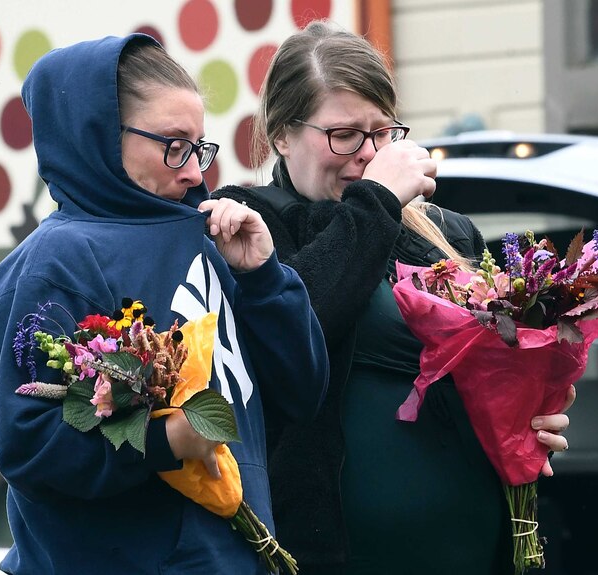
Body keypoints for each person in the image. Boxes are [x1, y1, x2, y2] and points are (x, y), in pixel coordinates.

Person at [212, 20, 575, 574]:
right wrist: (377, 198)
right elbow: (292, 328)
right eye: (345, 134)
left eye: (384, 133)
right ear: (282, 135)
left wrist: (535, 408)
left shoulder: (446, 233)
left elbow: (500, 368)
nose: (370, 154)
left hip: (471, 541)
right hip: (327, 551)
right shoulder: (250, 223)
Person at [0, 34, 328, 574]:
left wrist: (263, 278)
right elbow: (30, 447)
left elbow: (302, 393)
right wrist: (165, 441)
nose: (194, 171)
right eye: (173, 144)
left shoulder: (210, 234)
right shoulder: (57, 261)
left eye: (199, 147)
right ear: (97, 136)